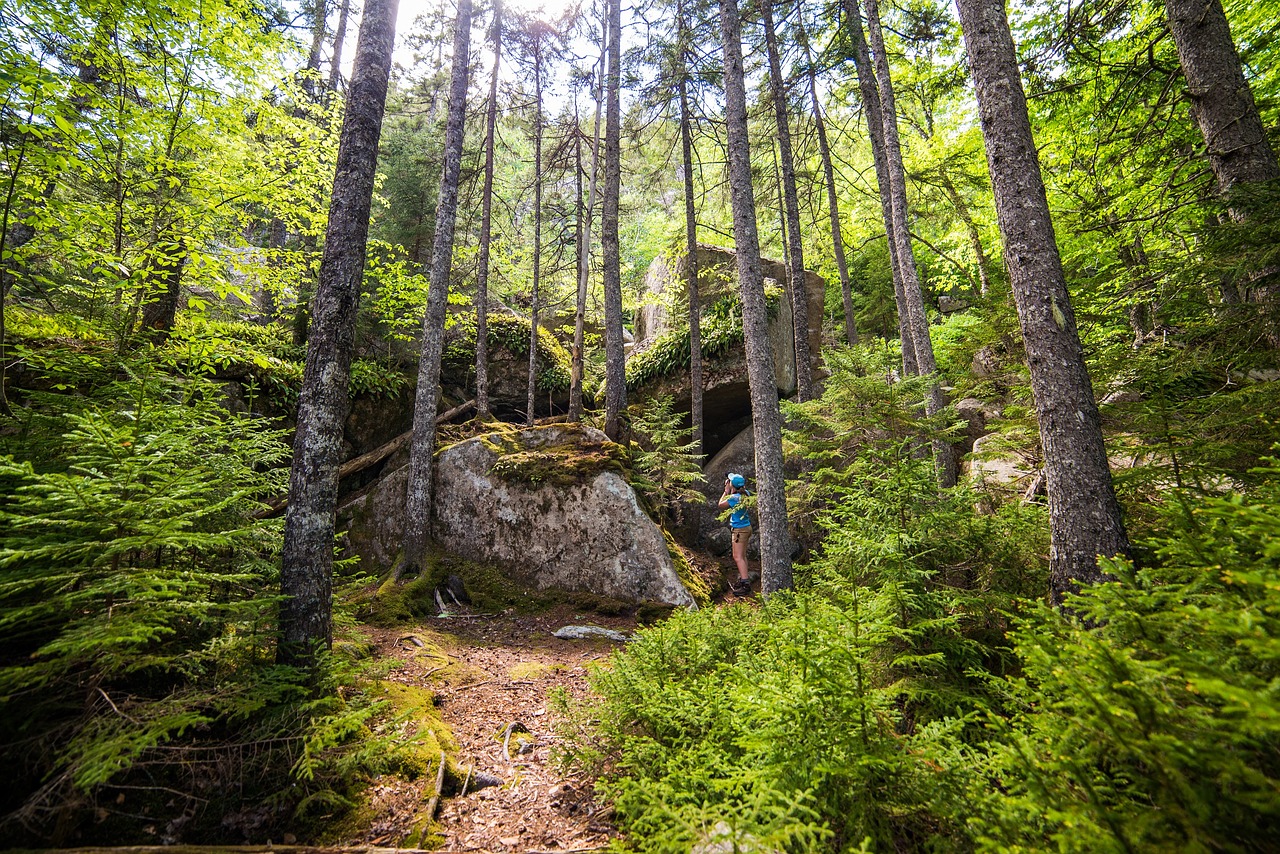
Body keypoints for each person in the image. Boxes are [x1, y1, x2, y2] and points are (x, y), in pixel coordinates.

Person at [719, 472, 752, 596]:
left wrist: (726, 491)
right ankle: (744, 578)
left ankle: (745, 584)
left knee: (737, 557)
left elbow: (721, 505)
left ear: (732, 485)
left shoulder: (734, 498)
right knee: (742, 556)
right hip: (747, 527)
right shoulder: (746, 494)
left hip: (739, 530)